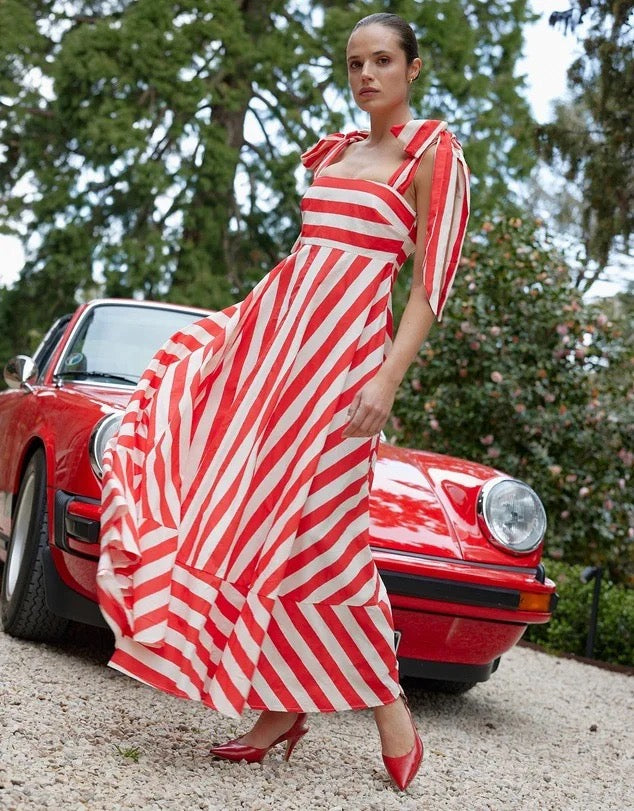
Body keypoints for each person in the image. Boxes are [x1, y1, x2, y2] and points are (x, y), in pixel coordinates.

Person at [97, 12, 469, 792]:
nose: (366, 75)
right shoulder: (335, 155)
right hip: (277, 360)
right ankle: (280, 708)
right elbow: (303, 266)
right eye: (354, 63)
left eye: (382, 61)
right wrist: (236, 338)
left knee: (330, 534)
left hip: (347, 370)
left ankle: (388, 708)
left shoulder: (432, 155)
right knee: (272, 526)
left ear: (413, 68)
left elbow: (429, 285)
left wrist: (387, 378)